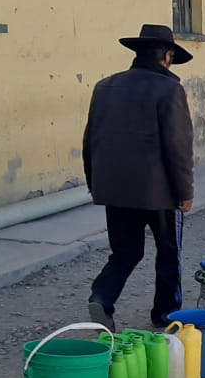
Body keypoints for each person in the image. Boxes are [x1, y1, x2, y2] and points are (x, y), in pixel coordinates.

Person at [83, 23, 195, 331]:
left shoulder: (105, 86)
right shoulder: (170, 89)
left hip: (115, 189)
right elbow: (178, 147)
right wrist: (184, 190)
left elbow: (91, 139)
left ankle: (102, 297)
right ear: (167, 56)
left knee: (125, 251)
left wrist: (96, 184)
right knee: (169, 252)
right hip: (158, 192)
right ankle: (165, 314)